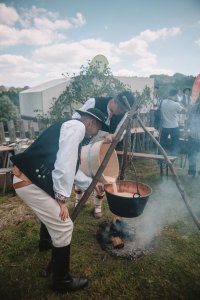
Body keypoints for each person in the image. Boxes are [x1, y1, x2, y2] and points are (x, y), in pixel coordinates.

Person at [10, 108, 108, 293]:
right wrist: (62, 199)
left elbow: (72, 169)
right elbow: (65, 164)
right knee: (64, 225)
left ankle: (45, 242)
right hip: (29, 181)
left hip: (29, 178)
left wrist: (92, 184)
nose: (96, 133)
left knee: (55, 218)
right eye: (98, 128)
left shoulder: (70, 126)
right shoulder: (77, 128)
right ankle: (61, 281)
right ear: (90, 123)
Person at [72, 91, 135, 218]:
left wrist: (112, 136)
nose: (122, 112)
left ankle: (97, 206)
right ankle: (78, 200)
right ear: (114, 101)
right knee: (80, 169)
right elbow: (75, 119)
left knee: (102, 175)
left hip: (102, 147)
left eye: (124, 110)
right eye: (121, 108)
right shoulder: (94, 102)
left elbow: (119, 134)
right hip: (84, 142)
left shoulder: (123, 114)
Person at [160, 89, 185, 156]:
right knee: (175, 143)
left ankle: (161, 156)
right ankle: (173, 156)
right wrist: (179, 101)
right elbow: (184, 110)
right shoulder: (176, 104)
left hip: (165, 126)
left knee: (163, 143)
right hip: (174, 126)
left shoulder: (163, 102)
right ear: (176, 95)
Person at [187, 96, 200, 176]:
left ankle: (192, 172)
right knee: (192, 154)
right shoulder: (194, 107)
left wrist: (186, 129)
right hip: (193, 135)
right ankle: (192, 171)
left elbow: (188, 120)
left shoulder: (193, 107)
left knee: (192, 154)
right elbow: (189, 120)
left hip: (193, 135)